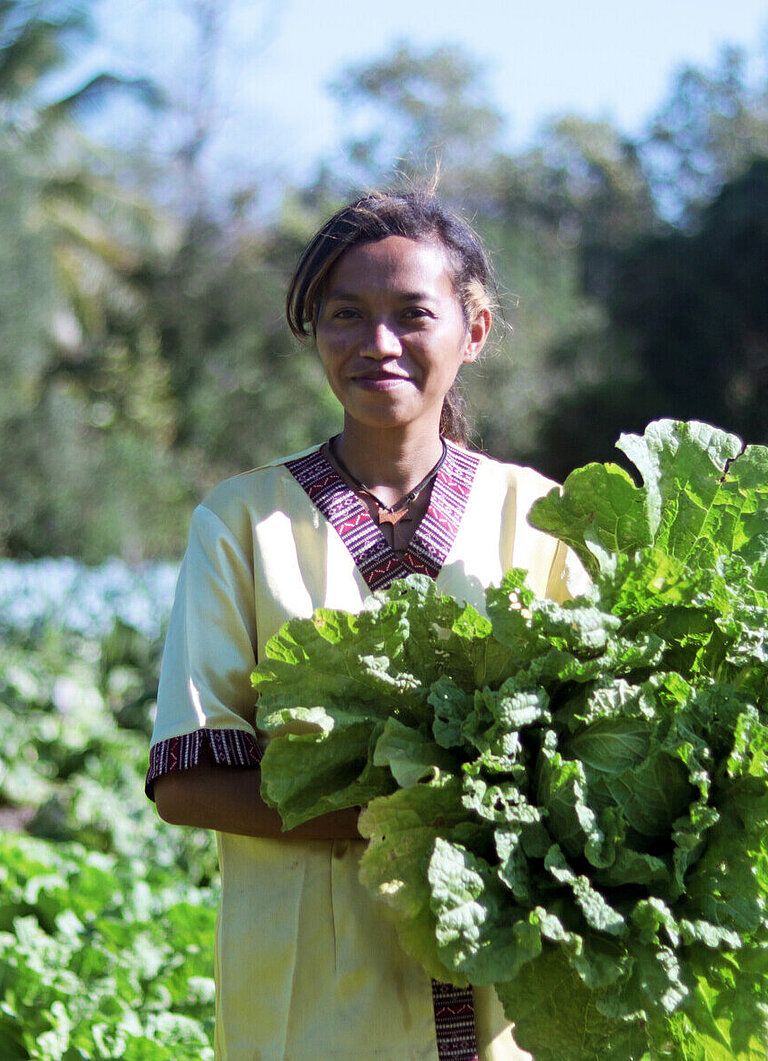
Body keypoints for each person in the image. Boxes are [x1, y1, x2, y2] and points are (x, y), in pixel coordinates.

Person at [147, 188, 585, 1060]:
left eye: (412, 314)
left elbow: (591, 759)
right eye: (345, 314)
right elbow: (189, 775)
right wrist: (416, 816)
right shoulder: (240, 521)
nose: (377, 343)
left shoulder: (541, 517)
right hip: (309, 1008)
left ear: (476, 331)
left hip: (504, 1010)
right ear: (314, 331)